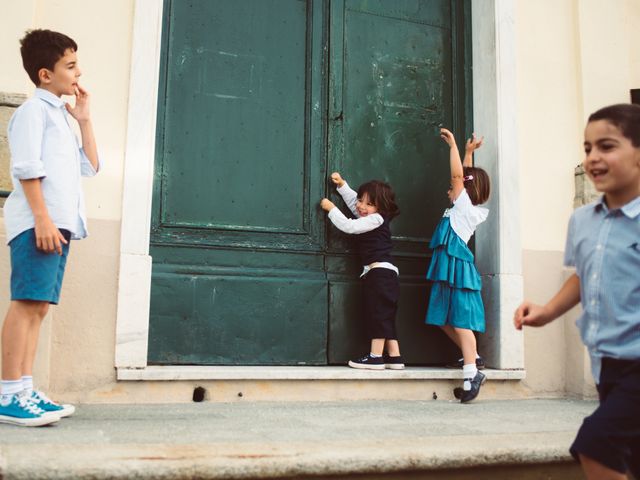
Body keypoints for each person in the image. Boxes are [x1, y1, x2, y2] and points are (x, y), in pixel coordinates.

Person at [514, 103, 640, 480]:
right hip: (606, 361)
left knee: (595, 444)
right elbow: (583, 277)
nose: (593, 157)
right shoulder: (582, 221)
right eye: (587, 148)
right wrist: (548, 311)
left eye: (607, 146)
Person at [0, 29, 100, 427]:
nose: (78, 72)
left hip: (59, 225)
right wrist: (41, 218)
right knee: (25, 304)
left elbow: (90, 166)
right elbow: (26, 167)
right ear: (45, 74)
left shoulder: (61, 116)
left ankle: (23, 388)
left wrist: (85, 120)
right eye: (70, 65)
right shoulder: (33, 112)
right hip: (39, 224)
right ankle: (8, 393)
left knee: (39, 307)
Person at [425, 128, 490, 403]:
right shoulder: (459, 208)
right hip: (447, 269)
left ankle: (471, 373)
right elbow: (464, 176)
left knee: (461, 323)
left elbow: (457, 176)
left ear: (465, 189)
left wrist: (453, 147)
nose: (449, 190)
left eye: (454, 188)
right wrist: (469, 153)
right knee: (441, 318)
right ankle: (472, 356)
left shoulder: (465, 208)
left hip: (458, 269)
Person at [320, 173, 402, 370]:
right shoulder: (372, 216)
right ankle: (395, 356)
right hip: (383, 274)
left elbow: (350, 226)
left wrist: (331, 209)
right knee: (385, 315)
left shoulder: (375, 219)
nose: (361, 206)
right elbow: (355, 206)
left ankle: (375, 357)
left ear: (380, 207)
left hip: (380, 274)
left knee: (378, 314)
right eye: (361, 200)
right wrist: (343, 187)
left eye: (369, 203)